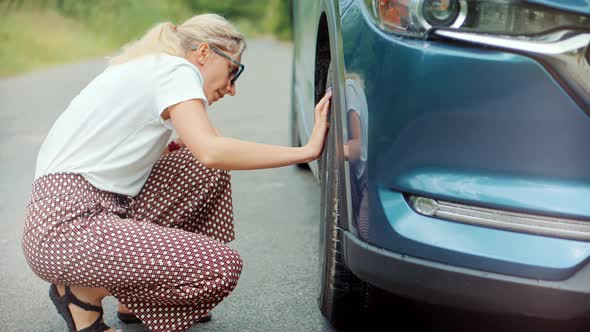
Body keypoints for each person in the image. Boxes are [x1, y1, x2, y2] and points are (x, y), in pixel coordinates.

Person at [22, 13, 332, 332]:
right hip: (67, 229)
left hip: (75, 220)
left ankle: (132, 303)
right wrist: (306, 151)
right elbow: (212, 151)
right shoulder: (176, 69)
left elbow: (211, 149)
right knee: (219, 268)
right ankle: (80, 294)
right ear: (204, 53)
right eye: (233, 71)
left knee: (197, 165)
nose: (232, 88)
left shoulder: (152, 69)